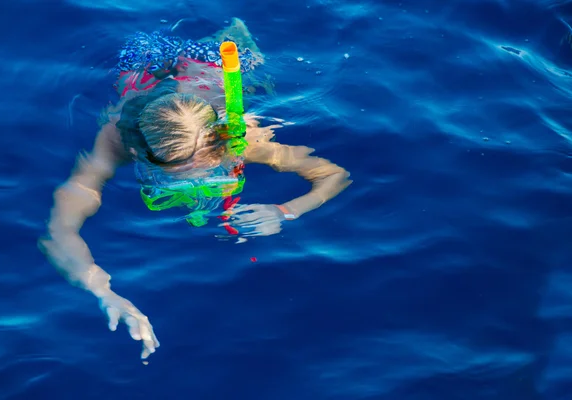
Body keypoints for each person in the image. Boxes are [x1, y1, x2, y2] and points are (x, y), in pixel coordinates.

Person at [39, 18, 351, 361]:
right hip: (144, 75)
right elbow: (59, 229)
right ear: (140, 151)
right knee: (138, 56)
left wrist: (286, 211)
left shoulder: (240, 140)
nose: (191, 177)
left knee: (241, 44)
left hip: (215, 64)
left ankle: (237, 27)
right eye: (177, 172)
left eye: (202, 166)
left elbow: (333, 176)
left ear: (217, 144)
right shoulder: (116, 139)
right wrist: (104, 292)